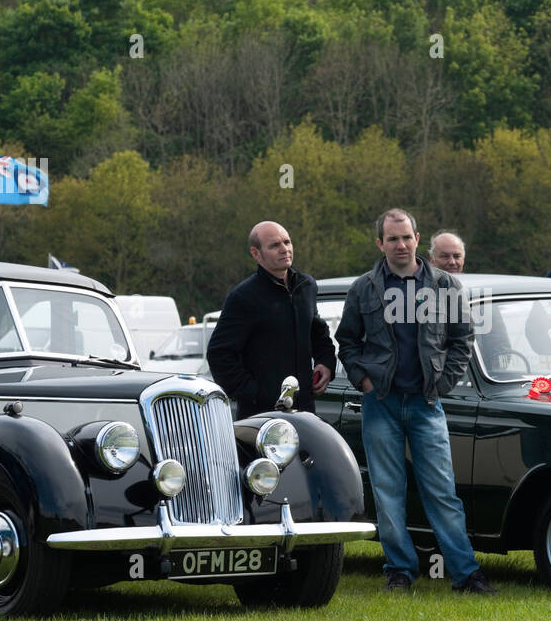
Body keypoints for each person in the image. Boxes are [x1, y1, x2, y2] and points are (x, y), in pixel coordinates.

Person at [335, 208, 496, 594]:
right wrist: (364, 382)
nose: (401, 244)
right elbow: (348, 342)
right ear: (380, 243)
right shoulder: (364, 288)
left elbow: (462, 340)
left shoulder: (445, 286)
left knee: (441, 491)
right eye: (392, 239)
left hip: (427, 404)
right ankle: (399, 571)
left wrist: (441, 386)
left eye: (406, 237)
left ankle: (466, 574)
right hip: (382, 404)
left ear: (417, 238)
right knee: (388, 491)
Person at [206, 221, 335, 418]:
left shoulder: (306, 286)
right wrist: (254, 394)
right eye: (275, 245)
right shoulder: (243, 297)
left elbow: (318, 333)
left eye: (287, 242)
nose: (285, 249)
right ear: (256, 253)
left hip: (305, 411)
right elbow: (219, 355)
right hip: (261, 417)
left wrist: (325, 363)